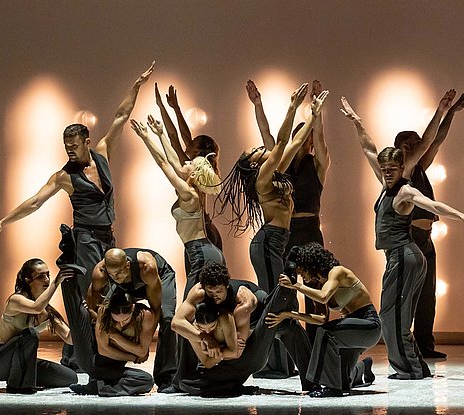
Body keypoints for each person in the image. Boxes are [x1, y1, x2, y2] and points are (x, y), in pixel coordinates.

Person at [0, 62, 155, 301]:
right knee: (93, 291)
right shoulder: (64, 176)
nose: (70, 151)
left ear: (86, 142)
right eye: (66, 147)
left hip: (107, 235)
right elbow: (35, 202)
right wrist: (3, 222)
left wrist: (135, 86)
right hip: (86, 238)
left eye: (74, 146)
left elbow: (121, 117)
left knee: (114, 290)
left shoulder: (102, 154)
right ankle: (85, 337)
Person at [341, 95, 464, 380]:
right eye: (383, 169)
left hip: (406, 255)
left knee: (395, 316)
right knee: (392, 315)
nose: (386, 173)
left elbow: (433, 205)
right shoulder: (387, 182)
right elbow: (368, 148)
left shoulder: (406, 187)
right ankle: (411, 366)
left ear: (401, 166)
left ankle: (411, 368)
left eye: (391, 169)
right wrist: (357, 122)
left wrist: (463, 216)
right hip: (398, 255)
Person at [217, 82, 328, 378]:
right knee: (275, 300)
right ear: (253, 164)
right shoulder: (263, 175)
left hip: (277, 241)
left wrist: (311, 115)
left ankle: (285, 362)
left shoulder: (274, 173)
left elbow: (286, 145)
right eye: (255, 151)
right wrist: (298, 108)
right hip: (269, 242)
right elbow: (281, 143)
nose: (259, 149)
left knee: (283, 299)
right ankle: (274, 364)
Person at [249, 79, 332, 343]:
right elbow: (269, 136)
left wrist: (315, 111)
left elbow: (319, 138)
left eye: (307, 138)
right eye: (303, 137)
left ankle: (318, 338)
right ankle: (290, 341)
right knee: (286, 286)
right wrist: (258, 104)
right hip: (286, 231)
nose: (307, 141)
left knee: (316, 285)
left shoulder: (317, 165)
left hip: (310, 230)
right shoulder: (280, 167)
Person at [392, 91, 464, 360]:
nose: (420, 146)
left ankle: (424, 344)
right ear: (403, 148)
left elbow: (435, 141)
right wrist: (440, 109)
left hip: (426, 238)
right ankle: (405, 344)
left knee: (427, 295)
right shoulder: (403, 171)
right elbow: (427, 143)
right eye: (413, 143)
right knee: (409, 295)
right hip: (410, 238)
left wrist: (450, 114)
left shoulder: (420, 168)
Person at [172, 263, 314, 396]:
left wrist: (219, 347)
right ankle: (184, 374)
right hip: (232, 320)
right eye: (210, 292)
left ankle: (312, 384)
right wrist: (203, 337)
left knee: (290, 328)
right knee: (188, 328)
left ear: (226, 286)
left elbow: (237, 350)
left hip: (257, 314)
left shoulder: (243, 302)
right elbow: (177, 322)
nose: (214, 295)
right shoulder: (199, 292)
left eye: (219, 291)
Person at [268, 243, 380, 397]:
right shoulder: (322, 283)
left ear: (310, 265)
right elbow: (320, 319)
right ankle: (362, 368)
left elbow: (323, 297)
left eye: (302, 272)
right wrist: (290, 314)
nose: (302, 277)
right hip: (351, 331)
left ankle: (331, 389)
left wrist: (296, 285)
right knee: (342, 381)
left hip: (369, 325)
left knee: (326, 333)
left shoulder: (338, 272)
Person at [131, 115, 224, 298]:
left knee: (190, 308)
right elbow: (173, 161)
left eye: (189, 163)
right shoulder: (191, 187)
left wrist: (146, 137)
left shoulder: (188, 193)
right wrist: (160, 133)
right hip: (202, 249)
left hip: (201, 252)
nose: (186, 162)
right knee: (200, 305)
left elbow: (164, 163)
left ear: (195, 173)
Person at [88, 247, 177, 392]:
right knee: (107, 316)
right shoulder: (101, 272)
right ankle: (103, 371)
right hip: (124, 288)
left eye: (119, 272)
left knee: (167, 319)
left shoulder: (147, 268)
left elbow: (155, 308)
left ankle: (167, 376)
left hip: (156, 278)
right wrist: (97, 323)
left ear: (127, 265)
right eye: (112, 274)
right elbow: (94, 304)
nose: (116, 277)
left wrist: (145, 346)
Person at [0, 259, 78, 394]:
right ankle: (17, 385)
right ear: (28, 280)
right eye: (41, 276)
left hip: (22, 361)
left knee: (70, 377)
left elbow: (69, 338)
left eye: (48, 275)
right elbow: (36, 307)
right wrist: (56, 282)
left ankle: (27, 378)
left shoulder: (48, 312)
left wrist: (84, 318)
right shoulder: (15, 300)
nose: (46, 280)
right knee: (30, 334)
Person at [155, 83, 223, 250]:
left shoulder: (190, 168)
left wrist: (162, 107)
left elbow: (173, 136)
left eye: (191, 143)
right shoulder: (203, 167)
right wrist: (176, 108)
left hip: (202, 235)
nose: (188, 143)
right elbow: (185, 135)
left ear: (196, 150)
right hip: (206, 229)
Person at [67, 287, 155, 397]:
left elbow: (142, 352)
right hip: (97, 363)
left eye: (126, 320)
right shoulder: (104, 312)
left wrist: (115, 336)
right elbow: (103, 350)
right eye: (116, 320)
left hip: (115, 368)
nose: (122, 324)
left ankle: (100, 387)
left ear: (133, 308)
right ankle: (103, 387)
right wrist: (132, 357)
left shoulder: (145, 315)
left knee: (147, 380)